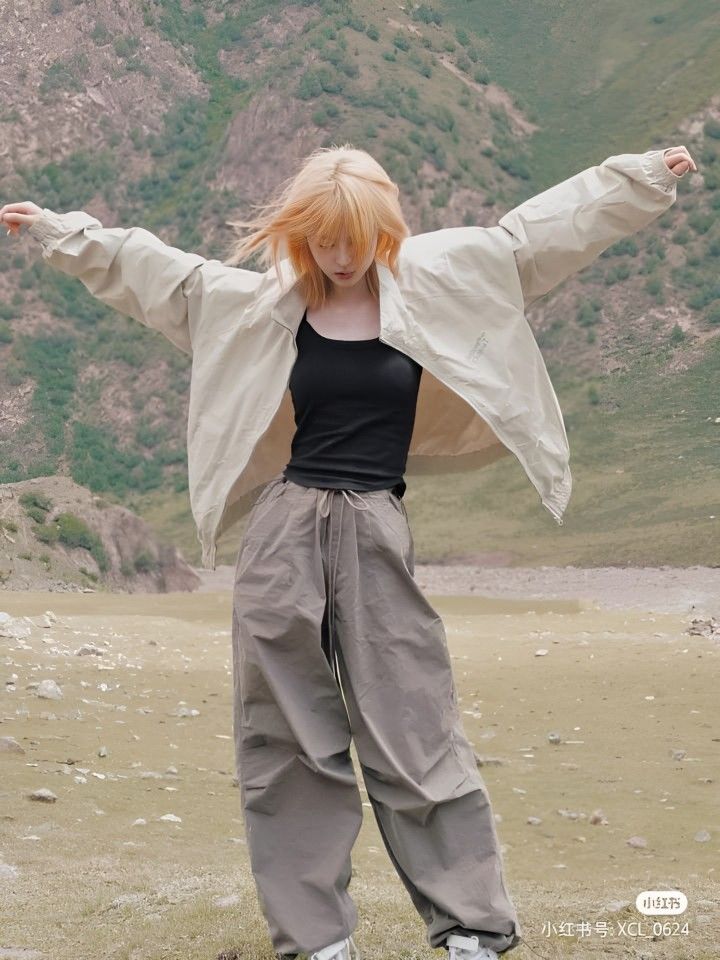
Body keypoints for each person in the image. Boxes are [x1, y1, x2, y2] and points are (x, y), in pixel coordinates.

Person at [0, 142, 696, 960]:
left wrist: (637, 179)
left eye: (353, 235)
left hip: (374, 525)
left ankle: (472, 926)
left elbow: (538, 236)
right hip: (283, 532)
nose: (338, 252)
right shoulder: (258, 304)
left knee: (414, 725)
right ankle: (317, 939)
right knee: (286, 738)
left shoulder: (445, 281)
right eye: (321, 236)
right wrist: (61, 232)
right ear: (301, 233)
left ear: (382, 228)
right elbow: (160, 273)